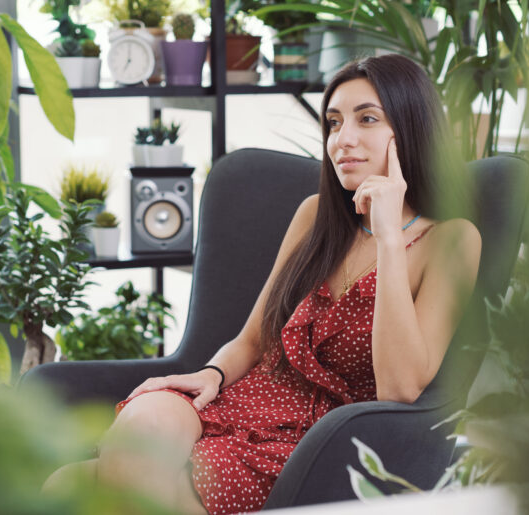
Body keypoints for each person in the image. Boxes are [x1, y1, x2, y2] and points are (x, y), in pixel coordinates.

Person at [43, 53, 482, 514]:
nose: (343, 140)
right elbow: (253, 339)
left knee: (77, 486)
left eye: (366, 119)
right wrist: (210, 374)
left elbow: (400, 388)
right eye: (333, 123)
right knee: (128, 434)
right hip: (241, 399)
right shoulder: (315, 215)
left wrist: (391, 234)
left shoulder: (451, 240)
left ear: (410, 127)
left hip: (312, 440)